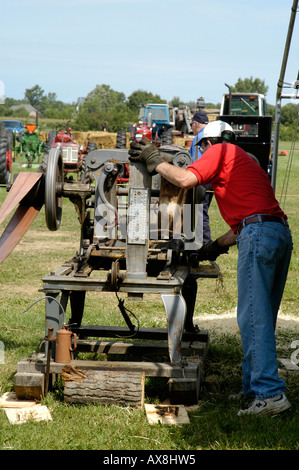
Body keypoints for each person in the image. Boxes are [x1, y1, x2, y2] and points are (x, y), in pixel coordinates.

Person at [128, 120, 293, 417]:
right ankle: (254, 390)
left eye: (201, 149)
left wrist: (155, 161)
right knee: (262, 317)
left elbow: (185, 180)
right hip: (277, 235)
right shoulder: (247, 162)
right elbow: (250, 218)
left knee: (252, 318)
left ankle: (270, 394)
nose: (201, 155)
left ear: (207, 143)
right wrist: (213, 246)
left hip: (258, 237)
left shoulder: (220, 151)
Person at [189, 111, 213, 244]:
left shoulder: (199, 138)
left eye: (192, 124)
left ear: (196, 124)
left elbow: (196, 161)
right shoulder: (210, 135)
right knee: (200, 211)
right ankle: (198, 240)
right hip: (210, 180)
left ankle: (205, 243)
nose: (191, 127)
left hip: (202, 180)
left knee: (199, 211)